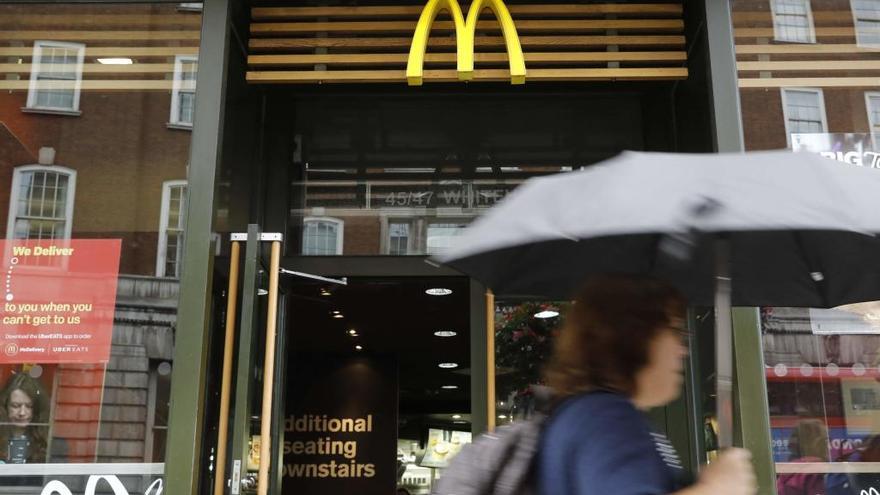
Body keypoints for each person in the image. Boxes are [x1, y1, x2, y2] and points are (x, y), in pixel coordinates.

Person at [537, 274, 757, 495]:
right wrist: (717, 488)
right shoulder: (607, 418)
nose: (683, 350)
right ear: (635, 335)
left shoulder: (589, 415)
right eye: (675, 331)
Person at [0, 372, 48, 464]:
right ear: (5, 406)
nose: (22, 413)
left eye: (29, 406)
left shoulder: (52, 443)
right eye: (15, 406)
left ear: (37, 408)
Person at [776, 419, 829, 495]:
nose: (827, 446)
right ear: (818, 444)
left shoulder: (787, 475)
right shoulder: (814, 474)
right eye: (825, 441)